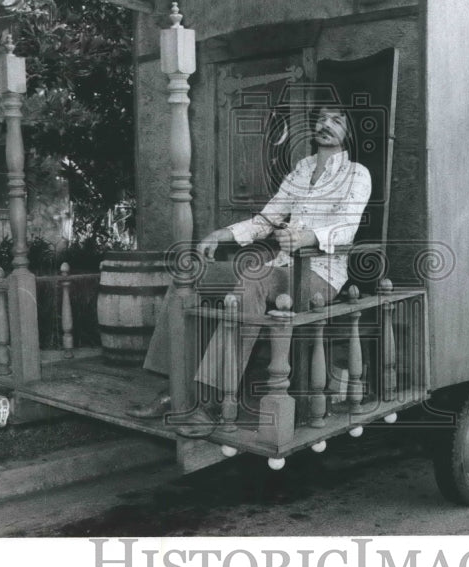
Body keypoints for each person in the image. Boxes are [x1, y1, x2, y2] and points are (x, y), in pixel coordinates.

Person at [127, 106, 371, 427]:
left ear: (348, 132)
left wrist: (306, 238)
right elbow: (266, 220)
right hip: (282, 268)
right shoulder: (302, 169)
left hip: (320, 275)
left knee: (254, 278)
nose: (326, 125)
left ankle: (212, 400)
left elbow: (347, 229)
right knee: (191, 275)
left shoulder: (357, 173)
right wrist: (222, 234)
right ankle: (174, 388)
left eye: (337, 120)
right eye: (323, 118)